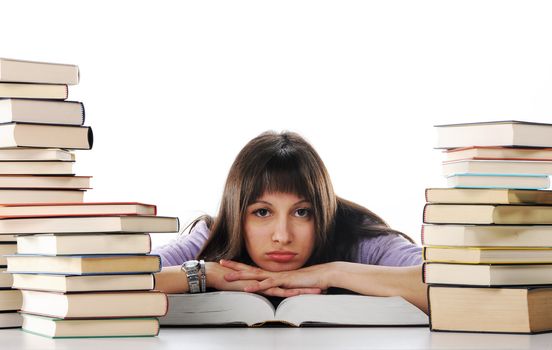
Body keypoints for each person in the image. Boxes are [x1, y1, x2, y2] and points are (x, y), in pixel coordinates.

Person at [153, 131, 428, 313]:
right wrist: (207, 274)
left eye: (301, 212)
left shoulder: (353, 235)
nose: (282, 236)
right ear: (238, 214)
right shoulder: (217, 235)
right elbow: (117, 281)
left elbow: (450, 282)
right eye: (262, 212)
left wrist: (332, 272)